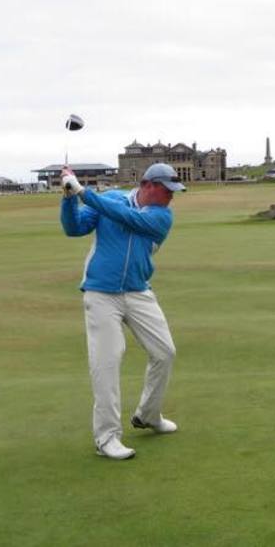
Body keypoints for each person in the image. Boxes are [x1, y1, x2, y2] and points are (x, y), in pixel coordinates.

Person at [60, 163, 186, 460]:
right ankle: (106, 438)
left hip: (138, 291)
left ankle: (148, 415)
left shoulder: (162, 216)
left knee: (164, 352)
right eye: (167, 190)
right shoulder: (111, 199)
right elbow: (74, 228)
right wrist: (68, 197)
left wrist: (83, 192)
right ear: (147, 185)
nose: (171, 196)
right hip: (101, 293)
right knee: (107, 361)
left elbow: (126, 217)